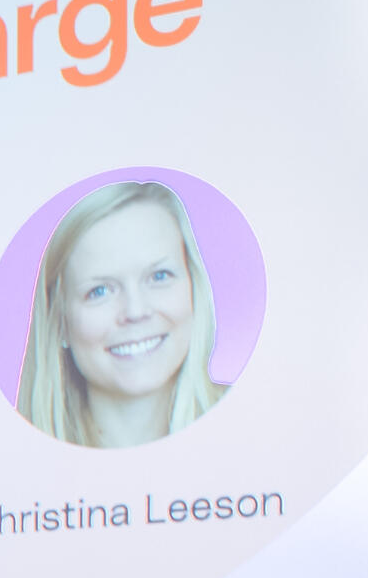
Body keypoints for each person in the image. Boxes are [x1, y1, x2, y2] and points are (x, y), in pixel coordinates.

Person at [19, 176, 230, 450]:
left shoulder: (262, 427)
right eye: (100, 291)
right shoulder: (14, 463)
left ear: (193, 287)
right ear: (59, 322)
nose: (135, 311)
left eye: (159, 276)